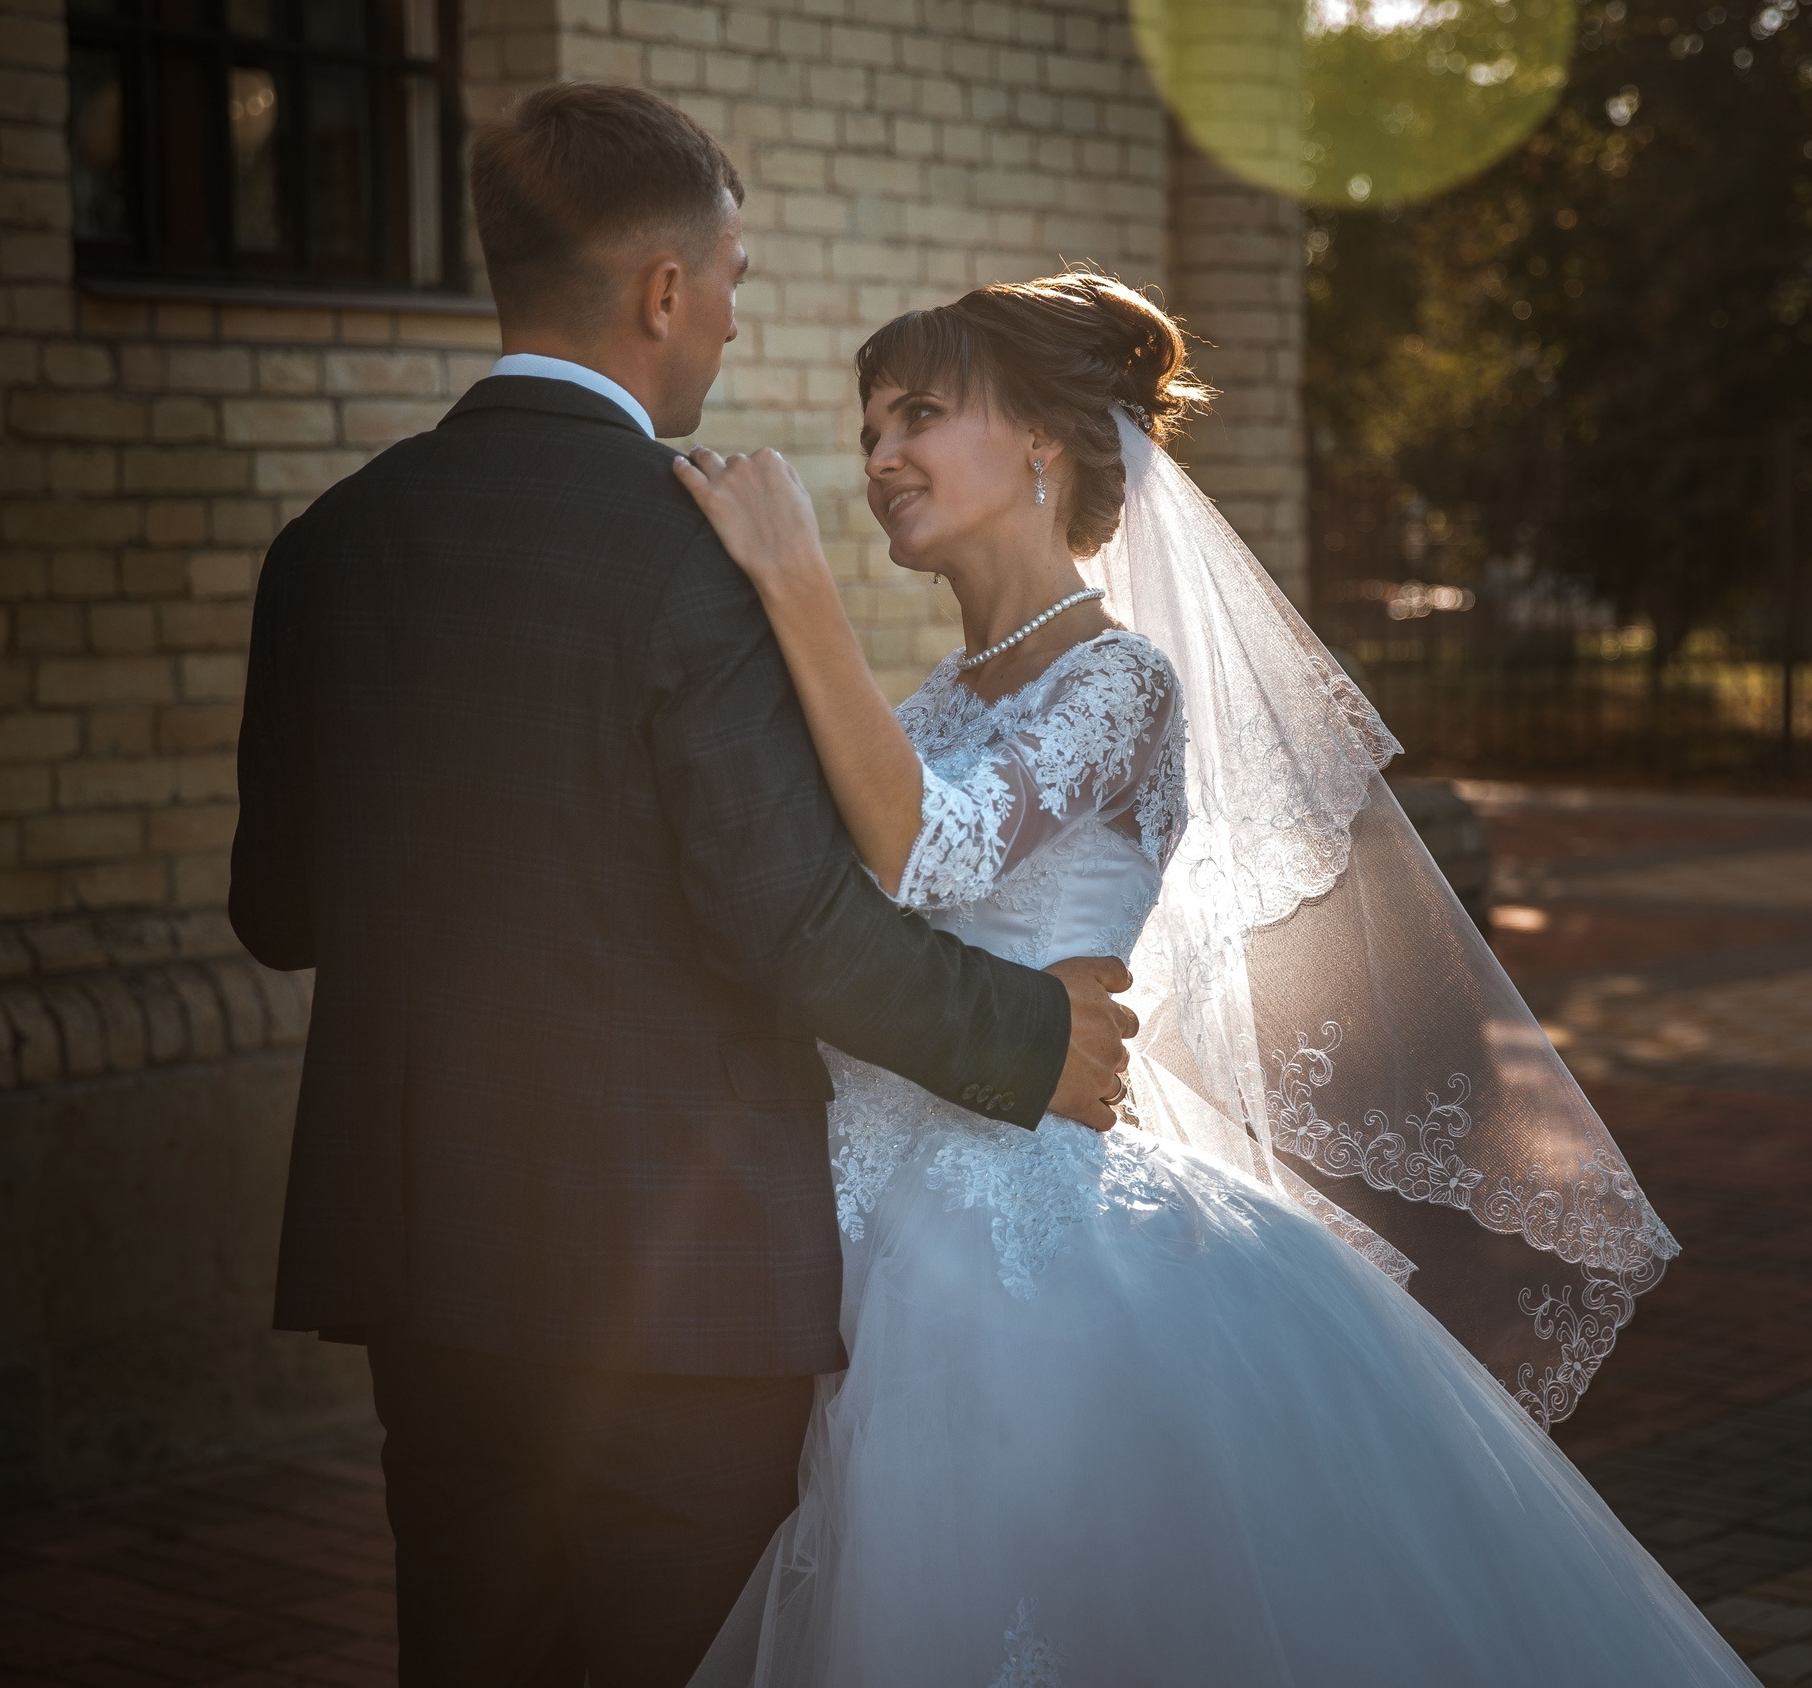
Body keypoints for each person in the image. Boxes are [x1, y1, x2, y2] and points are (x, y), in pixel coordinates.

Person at [673, 273, 1757, 1686]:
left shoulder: (1123, 684)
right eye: (870, 426)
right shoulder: (936, 703)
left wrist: (793, 580)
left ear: (1048, 446)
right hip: (868, 1215)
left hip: (1009, 1254)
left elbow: (928, 848)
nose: (878, 460)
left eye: (919, 417)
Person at [227, 85, 1141, 1688]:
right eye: (729, 274)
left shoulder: (327, 546)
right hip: (679, 1281)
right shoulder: (693, 561)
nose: (734, 311)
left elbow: (278, 914)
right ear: (662, 292)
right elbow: (791, 926)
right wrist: (1029, 1039)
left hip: (424, 1251)